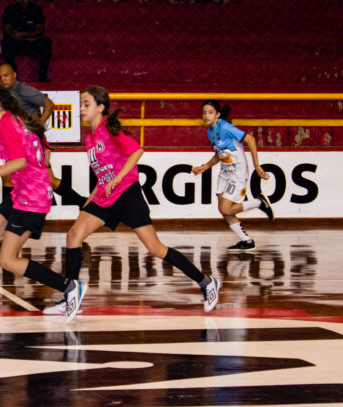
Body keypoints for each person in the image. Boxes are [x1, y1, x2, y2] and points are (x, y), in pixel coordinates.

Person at [43, 86, 221, 317]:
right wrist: (90, 200)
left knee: (156, 249)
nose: (82, 108)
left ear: (101, 108)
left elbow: (137, 151)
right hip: (106, 196)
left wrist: (117, 179)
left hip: (127, 194)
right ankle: (71, 294)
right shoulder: (89, 139)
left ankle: (206, 282)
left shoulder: (109, 129)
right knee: (73, 236)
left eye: (87, 104)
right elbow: (102, 175)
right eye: (81, 104)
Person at [0, 82, 85, 323]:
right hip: (23, 192)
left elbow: (19, 162)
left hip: (32, 196)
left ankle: (70, 287)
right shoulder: (13, 119)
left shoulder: (8, 122)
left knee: (7, 260)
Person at [0, 63, 88, 207]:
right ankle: (83, 202)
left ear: (14, 75)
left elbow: (49, 104)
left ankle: (4, 216)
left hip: (31, 143)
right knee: (10, 177)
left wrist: (38, 124)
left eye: (6, 75)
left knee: (13, 177)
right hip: (22, 142)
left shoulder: (23, 90)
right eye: (0, 76)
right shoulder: (5, 94)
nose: (3, 79)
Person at [191, 100, 274, 252]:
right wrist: (204, 167)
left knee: (226, 208)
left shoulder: (225, 127)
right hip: (225, 171)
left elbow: (250, 139)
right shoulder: (210, 131)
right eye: (204, 112)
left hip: (237, 171)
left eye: (210, 112)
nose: (206, 115)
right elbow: (219, 154)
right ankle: (246, 241)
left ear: (218, 114)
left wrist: (257, 166)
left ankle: (258, 202)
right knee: (223, 209)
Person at [1, 0, 53, 82]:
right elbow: (6, 30)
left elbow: (40, 30)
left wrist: (23, 35)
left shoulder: (36, 9)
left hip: (32, 42)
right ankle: (14, 75)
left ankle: (42, 75)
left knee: (46, 42)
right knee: (6, 43)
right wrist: (18, 36)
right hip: (16, 43)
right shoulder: (10, 10)